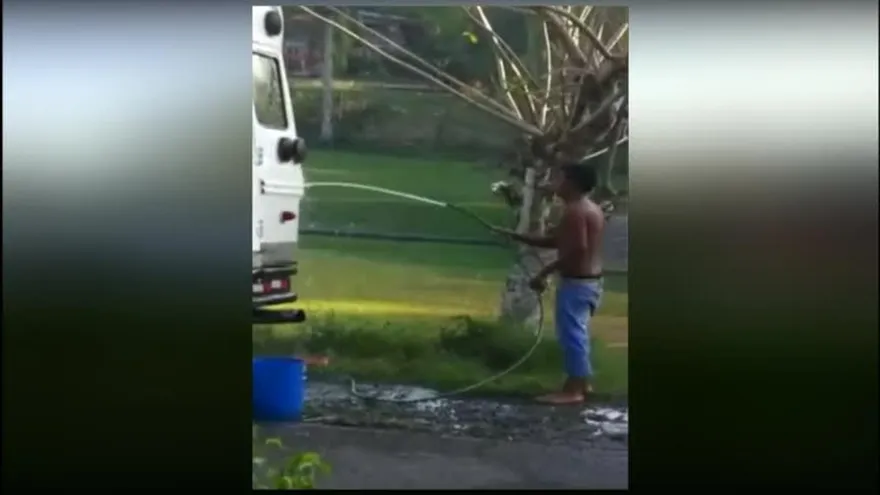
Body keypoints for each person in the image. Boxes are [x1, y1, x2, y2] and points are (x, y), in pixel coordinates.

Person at [492, 163, 606, 405]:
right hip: (588, 284)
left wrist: (543, 273)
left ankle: (574, 391)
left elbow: (577, 249)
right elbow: (558, 241)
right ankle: (580, 383)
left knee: (572, 336)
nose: (556, 184)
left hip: (577, 285)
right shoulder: (589, 208)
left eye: (560, 179)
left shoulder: (575, 212)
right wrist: (516, 236)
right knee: (577, 334)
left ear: (572, 183)